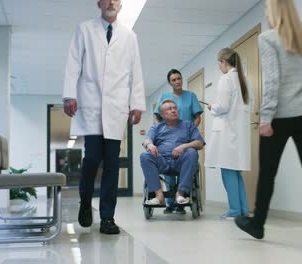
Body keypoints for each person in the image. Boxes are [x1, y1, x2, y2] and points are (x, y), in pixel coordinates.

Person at [234, 0, 302, 250]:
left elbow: (272, 81)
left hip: (280, 118)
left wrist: (266, 117)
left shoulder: (268, 38)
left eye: (267, 8)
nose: (266, 12)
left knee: (267, 173)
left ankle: (258, 224)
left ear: (274, 11)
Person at [63, 0, 145, 234]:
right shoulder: (84, 29)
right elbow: (73, 62)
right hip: (91, 102)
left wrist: (137, 104)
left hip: (117, 106)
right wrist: (69, 94)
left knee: (111, 163)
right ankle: (86, 202)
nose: (111, 3)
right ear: (99, 3)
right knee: (91, 158)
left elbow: (135, 70)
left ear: (120, 4)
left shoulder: (129, 36)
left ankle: (107, 218)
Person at [205, 48, 252, 220]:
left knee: (227, 171)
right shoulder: (244, 80)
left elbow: (222, 106)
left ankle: (234, 211)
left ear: (223, 62)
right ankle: (243, 210)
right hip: (238, 132)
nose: (219, 68)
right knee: (235, 172)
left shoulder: (226, 79)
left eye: (219, 64)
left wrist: (212, 107)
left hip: (227, 132)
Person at [153, 69, 203, 214]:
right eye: (173, 80)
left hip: (185, 138)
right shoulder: (165, 96)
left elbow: (197, 117)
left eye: (179, 78)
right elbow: (157, 116)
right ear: (170, 82)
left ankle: (180, 202)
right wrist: (159, 131)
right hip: (167, 138)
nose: (177, 81)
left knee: (186, 162)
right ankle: (170, 203)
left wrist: (190, 132)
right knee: (168, 169)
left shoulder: (191, 96)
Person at [140, 100, 204, 206]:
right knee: (145, 156)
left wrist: (184, 146)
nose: (173, 110)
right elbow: (147, 140)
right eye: (169, 109)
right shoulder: (156, 127)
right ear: (162, 114)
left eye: (174, 108)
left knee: (192, 152)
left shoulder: (188, 125)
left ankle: (180, 194)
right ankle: (159, 196)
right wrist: (150, 145)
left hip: (182, 162)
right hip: (162, 162)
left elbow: (200, 143)